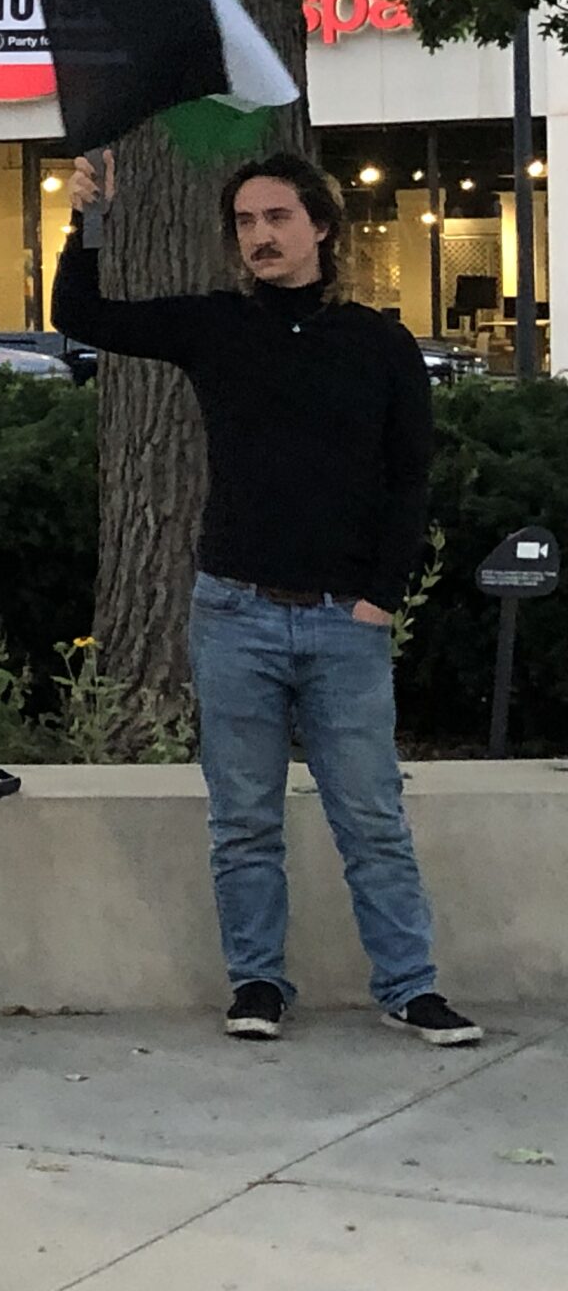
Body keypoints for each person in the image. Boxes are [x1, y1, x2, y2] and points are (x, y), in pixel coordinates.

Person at [57, 151, 478, 1047]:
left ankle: (409, 986)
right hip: (235, 613)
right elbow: (80, 315)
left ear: (321, 227)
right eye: (246, 223)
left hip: (344, 619)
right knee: (242, 819)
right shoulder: (216, 327)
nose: (261, 237)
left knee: (370, 815)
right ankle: (257, 984)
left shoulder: (379, 344)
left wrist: (381, 598)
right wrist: (87, 217)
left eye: (278, 218)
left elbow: (408, 482)